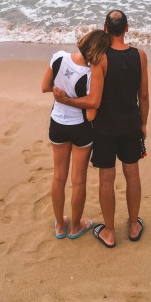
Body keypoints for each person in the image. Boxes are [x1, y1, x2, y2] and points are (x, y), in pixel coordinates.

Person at [55, 10, 149, 248]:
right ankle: (134, 226)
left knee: (107, 179)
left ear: (105, 29)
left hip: (106, 128)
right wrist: (143, 123)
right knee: (132, 174)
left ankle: (108, 231)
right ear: (127, 29)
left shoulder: (101, 58)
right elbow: (144, 95)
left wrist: (66, 100)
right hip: (131, 125)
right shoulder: (140, 56)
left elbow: (93, 99)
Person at [41, 29, 110, 240]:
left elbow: (45, 87)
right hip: (80, 127)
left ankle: (60, 226)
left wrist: (62, 93)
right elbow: (90, 114)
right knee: (78, 180)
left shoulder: (58, 58)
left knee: (58, 176)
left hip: (57, 123)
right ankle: (76, 226)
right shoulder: (90, 75)